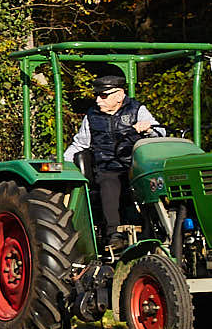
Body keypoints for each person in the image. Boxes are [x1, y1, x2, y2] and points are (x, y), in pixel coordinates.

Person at [65, 71, 166, 244]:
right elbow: (79, 144)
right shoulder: (92, 116)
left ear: (119, 95)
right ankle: (114, 234)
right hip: (107, 166)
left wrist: (148, 129)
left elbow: (161, 133)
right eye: (97, 95)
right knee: (108, 180)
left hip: (136, 166)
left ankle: (158, 229)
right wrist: (63, 162)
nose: (98, 100)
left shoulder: (137, 110)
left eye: (103, 95)